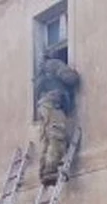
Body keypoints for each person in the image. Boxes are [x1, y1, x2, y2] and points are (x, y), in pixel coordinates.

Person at [34, 50, 81, 186]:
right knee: (57, 135)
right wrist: (73, 73)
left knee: (48, 139)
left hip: (43, 106)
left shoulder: (41, 73)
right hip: (52, 104)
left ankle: (44, 171)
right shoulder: (53, 64)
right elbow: (71, 78)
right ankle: (50, 170)